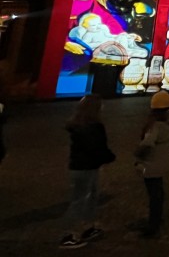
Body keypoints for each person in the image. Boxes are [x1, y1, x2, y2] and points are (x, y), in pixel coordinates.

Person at [60, 94, 116, 249]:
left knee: (90, 197)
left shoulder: (78, 125)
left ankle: (88, 227)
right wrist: (109, 157)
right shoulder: (93, 127)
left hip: (81, 166)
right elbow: (97, 147)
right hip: (87, 167)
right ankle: (68, 234)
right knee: (79, 201)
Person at [133, 90, 169, 238]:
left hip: (152, 163)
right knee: (158, 192)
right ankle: (156, 218)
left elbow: (147, 144)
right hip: (164, 161)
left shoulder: (156, 126)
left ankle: (153, 223)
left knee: (154, 194)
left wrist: (138, 154)